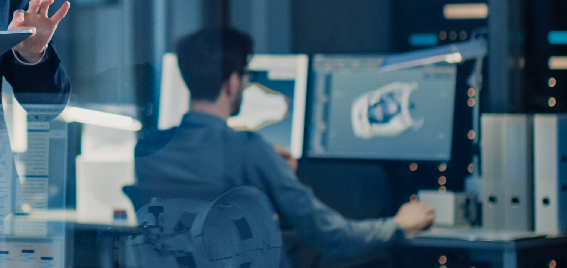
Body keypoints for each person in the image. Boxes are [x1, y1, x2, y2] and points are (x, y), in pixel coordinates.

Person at [134, 27, 435, 268]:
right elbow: (332, 236)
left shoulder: (148, 151)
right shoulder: (249, 151)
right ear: (233, 83)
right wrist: (397, 225)